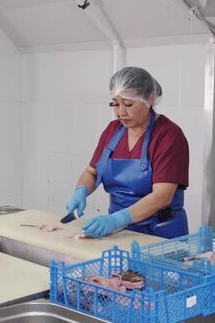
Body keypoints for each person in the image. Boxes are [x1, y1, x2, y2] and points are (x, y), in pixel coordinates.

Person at [66, 67, 189, 239]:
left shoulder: (168, 135)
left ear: (150, 99)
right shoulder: (112, 131)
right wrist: (81, 191)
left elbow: (162, 196)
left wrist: (117, 219)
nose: (120, 112)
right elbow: (92, 172)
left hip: (159, 234)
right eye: (115, 104)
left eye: (128, 104)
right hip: (120, 232)